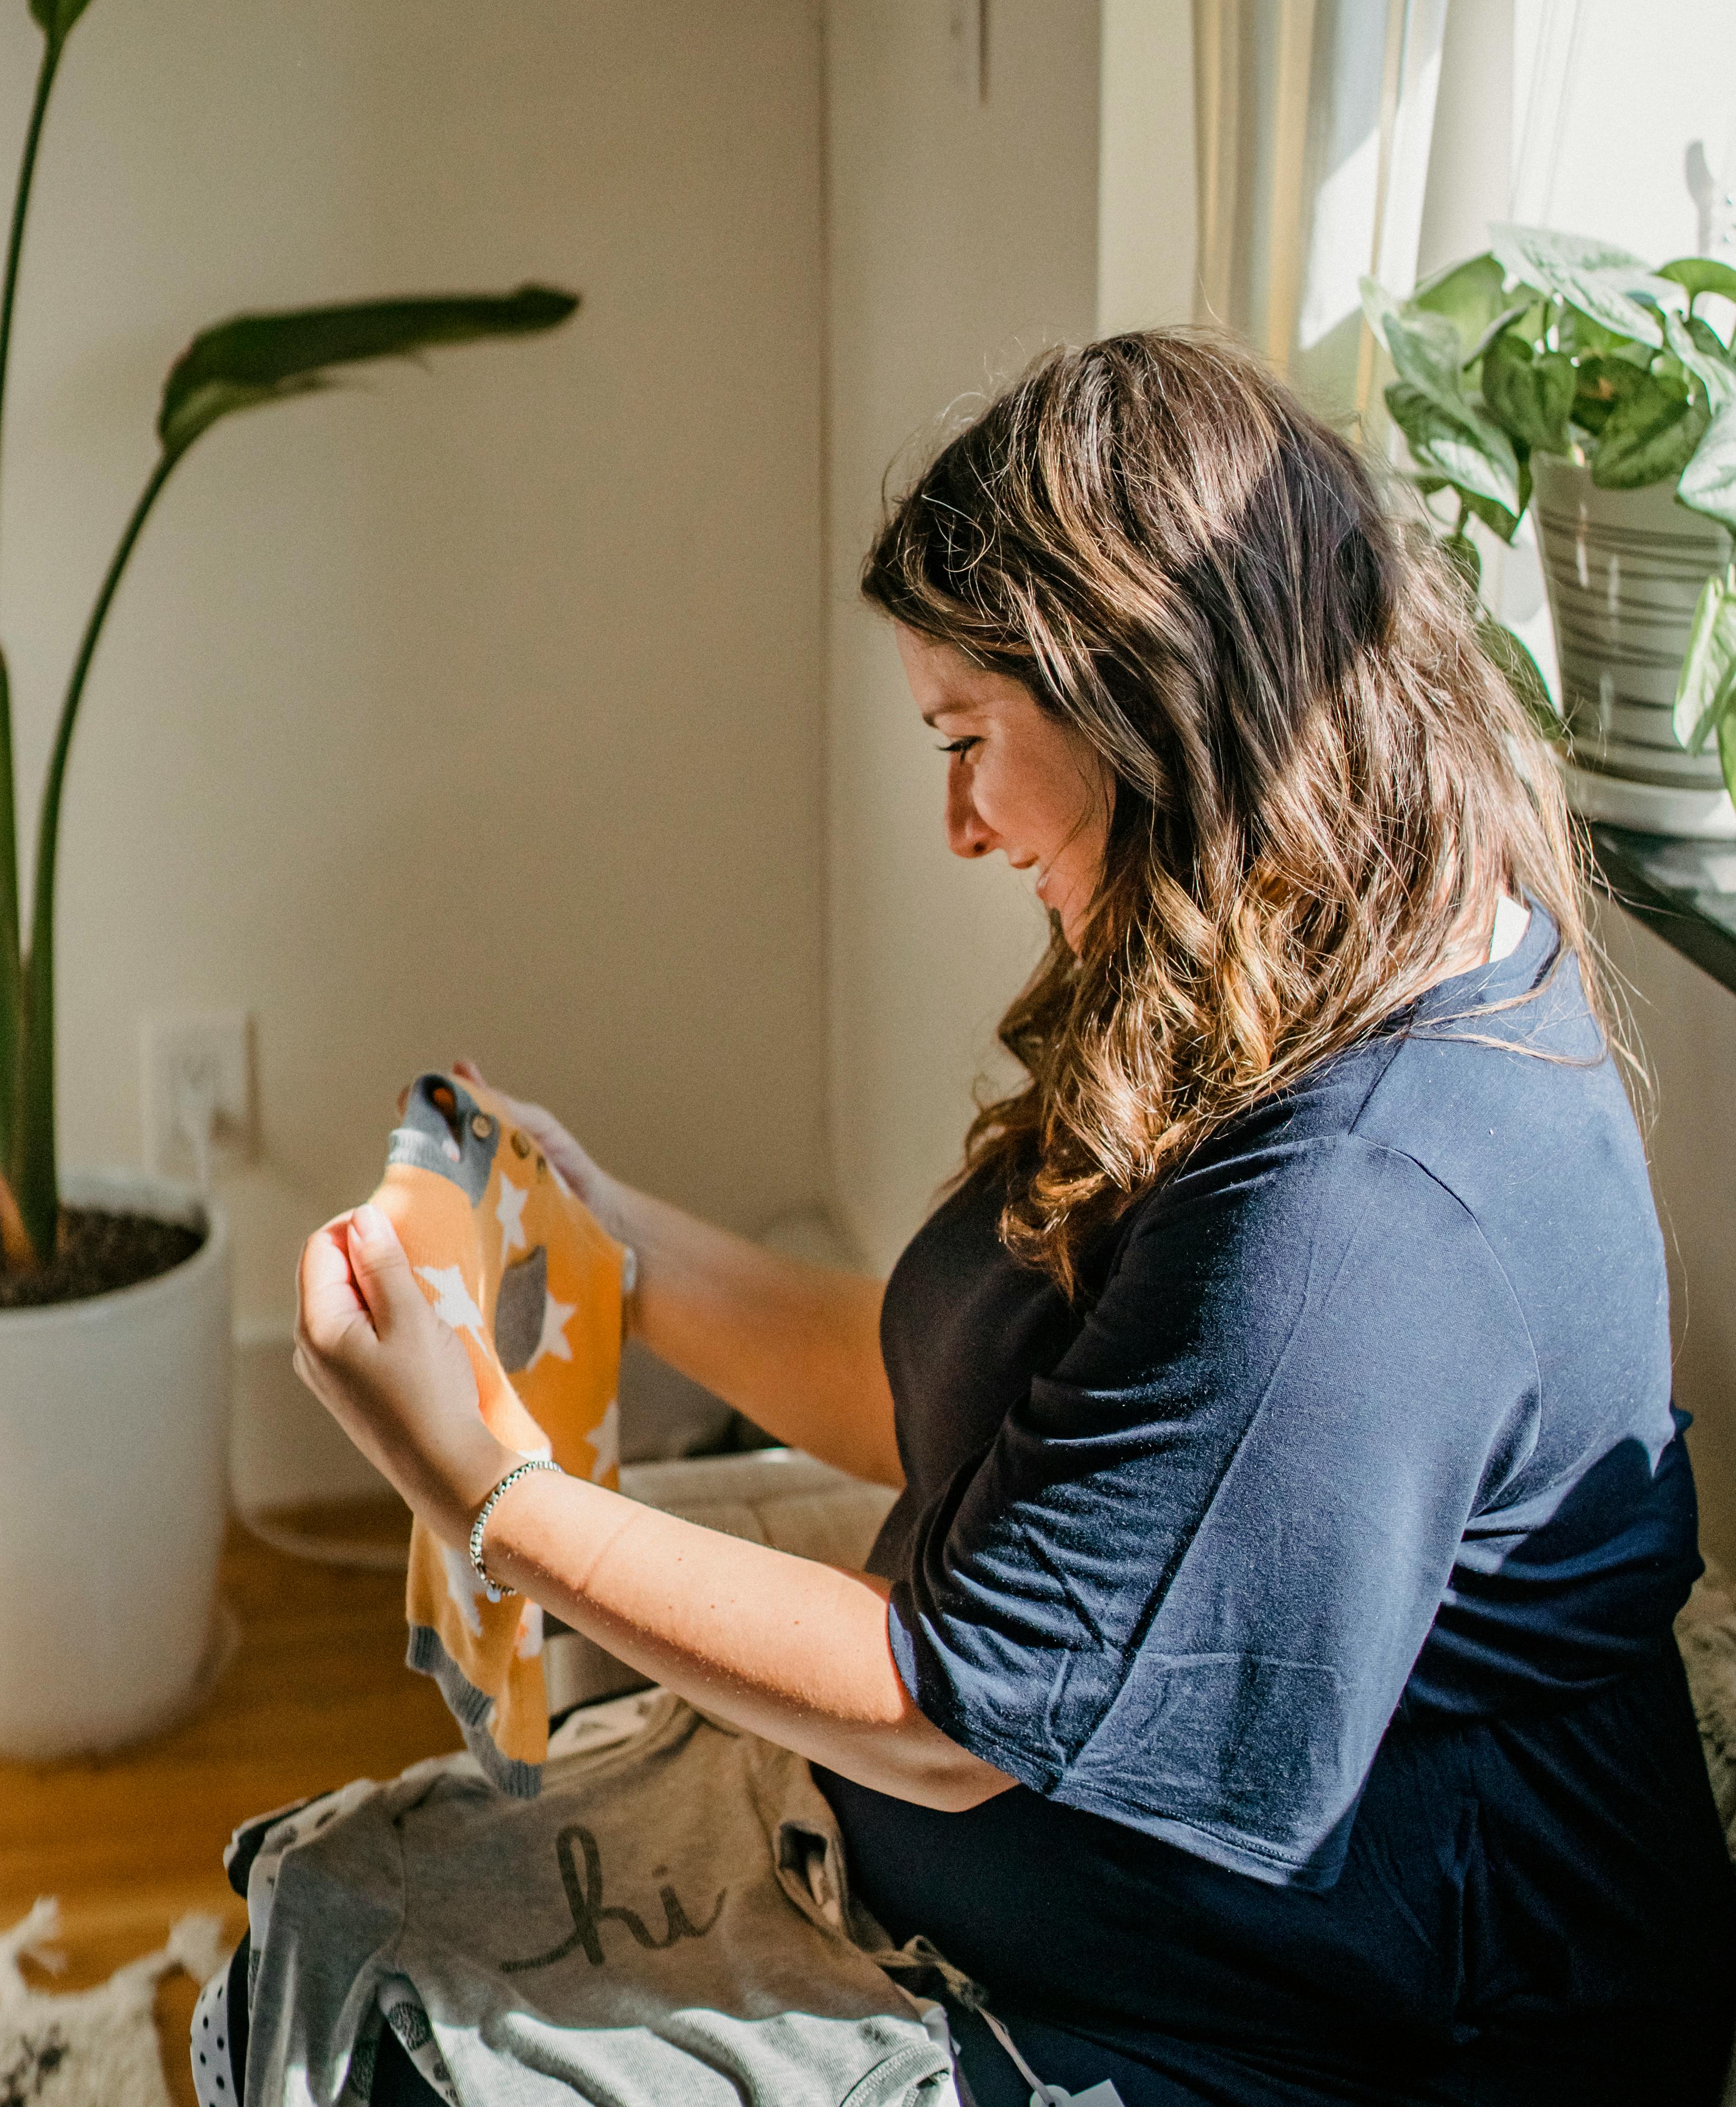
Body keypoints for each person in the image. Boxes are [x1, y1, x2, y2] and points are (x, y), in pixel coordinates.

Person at [296, 332, 1736, 2106]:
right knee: (374, 1918)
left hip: (1377, 2022)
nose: (961, 823)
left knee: (388, 2003)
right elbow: (979, 1395)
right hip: (1116, 1905)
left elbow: (952, 1717)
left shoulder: (1362, 1196)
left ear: (1152, 698)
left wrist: (484, 1491)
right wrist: (609, 1230)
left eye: (971, 739)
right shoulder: (1275, 945)